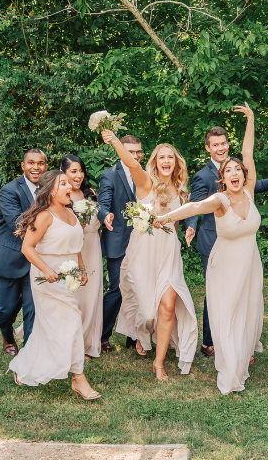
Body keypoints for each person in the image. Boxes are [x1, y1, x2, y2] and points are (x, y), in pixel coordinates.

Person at [155, 103, 264, 394]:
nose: (234, 173)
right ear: (223, 178)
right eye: (229, 171)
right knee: (226, 312)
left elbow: (248, 153)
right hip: (225, 264)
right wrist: (166, 217)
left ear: (243, 173)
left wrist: (250, 121)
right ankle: (229, 367)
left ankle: (242, 355)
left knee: (248, 309)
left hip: (250, 262)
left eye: (237, 169)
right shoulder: (220, 199)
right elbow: (193, 206)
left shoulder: (249, 192)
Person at [183, 126, 268, 358]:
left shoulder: (237, 169)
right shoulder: (202, 175)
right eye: (215, 145)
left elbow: (249, 187)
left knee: (242, 292)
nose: (220, 148)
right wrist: (190, 225)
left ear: (228, 144)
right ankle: (210, 341)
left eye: (223, 143)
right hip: (214, 241)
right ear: (208, 148)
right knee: (217, 294)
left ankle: (240, 340)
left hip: (240, 242)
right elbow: (195, 204)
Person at [102, 130, 198, 380]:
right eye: (161, 157)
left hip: (168, 252)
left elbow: (177, 222)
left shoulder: (180, 190)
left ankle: (159, 362)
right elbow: (131, 163)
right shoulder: (145, 182)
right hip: (144, 250)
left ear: (176, 162)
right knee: (147, 312)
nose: (166, 161)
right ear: (155, 162)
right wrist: (115, 141)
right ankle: (143, 334)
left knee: (167, 306)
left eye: (170, 157)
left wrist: (188, 228)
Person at [8, 170, 99, 400]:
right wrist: (47, 270)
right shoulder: (44, 216)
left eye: (69, 183)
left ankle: (24, 366)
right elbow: (27, 247)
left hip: (68, 276)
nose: (70, 187)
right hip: (46, 276)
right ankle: (79, 378)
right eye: (64, 184)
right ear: (51, 190)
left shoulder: (71, 213)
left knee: (50, 328)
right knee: (72, 322)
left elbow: (76, 244)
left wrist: (81, 268)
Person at [0, 149, 48, 356]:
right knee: (6, 309)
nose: (36, 167)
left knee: (33, 308)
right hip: (9, 258)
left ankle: (29, 353)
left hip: (37, 260)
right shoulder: (9, 190)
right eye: (31, 163)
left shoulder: (50, 189)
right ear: (23, 166)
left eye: (40, 163)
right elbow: (18, 222)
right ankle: (7, 334)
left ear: (46, 167)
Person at [96, 134, 142, 353]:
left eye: (138, 151)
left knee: (139, 288)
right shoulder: (110, 175)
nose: (135, 155)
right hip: (118, 240)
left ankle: (134, 336)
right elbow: (102, 204)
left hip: (143, 241)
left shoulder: (146, 173)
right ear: (120, 151)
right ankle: (102, 335)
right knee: (117, 289)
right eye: (130, 151)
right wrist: (105, 215)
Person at [61, 154, 103, 359]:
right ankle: (72, 345)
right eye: (73, 171)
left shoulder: (90, 194)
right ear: (63, 173)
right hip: (73, 250)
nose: (78, 175)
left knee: (91, 297)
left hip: (93, 247)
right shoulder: (62, 196)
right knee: (74, 297)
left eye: (81, 171)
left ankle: (87, 343)